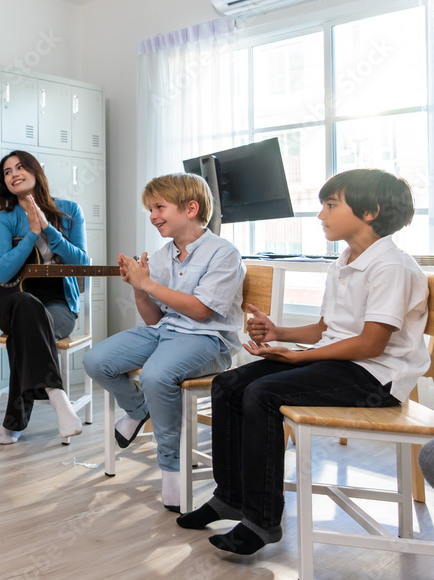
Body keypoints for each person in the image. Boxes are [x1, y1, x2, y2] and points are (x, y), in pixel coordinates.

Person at [177, 169, 430, 555]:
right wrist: (279, 333)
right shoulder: (343, 262)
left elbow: (371, 344)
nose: (321, 215)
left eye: (330, 205)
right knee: (227, 384)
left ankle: (262, 522)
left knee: (262, 393)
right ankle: (230, 496)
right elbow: (328, 328)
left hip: (377, 380)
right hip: (342, 365)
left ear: (370, 212)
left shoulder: (391, 265)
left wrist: (300, 359)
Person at [82, 172, 244, 512]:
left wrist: (150, 285)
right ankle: (139, 409)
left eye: (159, 207)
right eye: (150, 209)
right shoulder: (161, 256)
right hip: (166, 332)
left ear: (191, 208)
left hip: (207, 340)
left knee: (156, 375)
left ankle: (170, 466)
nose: (153, 216)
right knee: (96, 360)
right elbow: (154, 319)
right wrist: (139, 288)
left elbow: (201, 313)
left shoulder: (223, 254)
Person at [0, 150, 89, 445]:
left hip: (58, 306)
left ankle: (12, 426)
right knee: (26, 307)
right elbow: (3, 273)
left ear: (35, 171)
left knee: (22, 334)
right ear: (4, 182)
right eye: (7, 172)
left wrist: (47, 229)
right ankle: (58, 395)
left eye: (20, 167)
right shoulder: (4, 219)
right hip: (12, 302)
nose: (14, 174)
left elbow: (82, 263)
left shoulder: (70, 211)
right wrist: (31, 234)